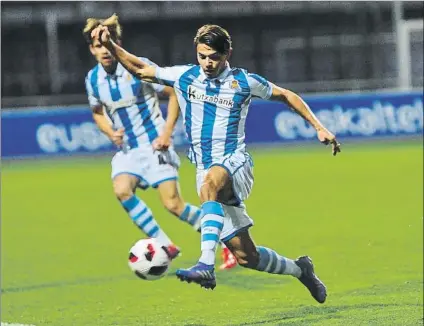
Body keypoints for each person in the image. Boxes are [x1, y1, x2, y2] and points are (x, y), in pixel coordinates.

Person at [91, 21, 342, 303]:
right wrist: (112, 45)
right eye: (202, 56)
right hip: (204, 169)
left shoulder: (243, 82)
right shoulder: (185, 77)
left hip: (235, 162)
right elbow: (141, 70)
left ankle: (205, 264)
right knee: (248, 256)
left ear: (227, 54)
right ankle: (300, 269)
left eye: (214, 57)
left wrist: (319, 127)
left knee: (209, 185)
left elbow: (286, 95)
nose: (208, 63)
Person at [83, 15, 237, 268]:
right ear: (91, 49)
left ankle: (228, 242)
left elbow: (173, 92)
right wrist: (109, 132)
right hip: (128, 150)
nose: (103, 50)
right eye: (97, 45)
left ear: (116, 42)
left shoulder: (136, 67)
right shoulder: (92, 80)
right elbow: (97, 112)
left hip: (155, 146)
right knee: (121, 189)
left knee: (173, 205)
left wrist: (167, 133)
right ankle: (164, 243)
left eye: (106, 43)